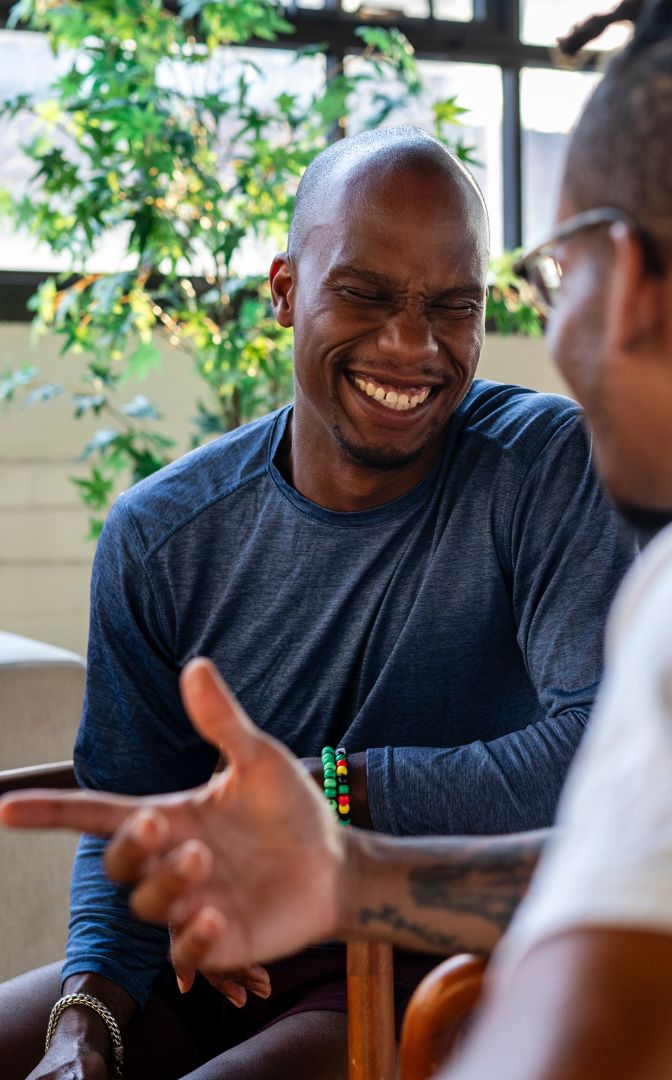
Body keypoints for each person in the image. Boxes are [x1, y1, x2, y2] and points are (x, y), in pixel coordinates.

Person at [10, 0, 672, 1077]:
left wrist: (346, 818)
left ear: (629, 280)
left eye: (543, 278)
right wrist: (352, 878)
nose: (543, 339)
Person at [0, 125, 635, 1079]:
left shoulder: (545, 470)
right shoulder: (162, 534)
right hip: (217, 964)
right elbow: (129, 814)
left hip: (423, 959)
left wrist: (325, 793)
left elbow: (599, 754)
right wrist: (83, 1023)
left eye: (452, 307)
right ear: (286, 288)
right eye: (366, 295)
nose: (413, 345)